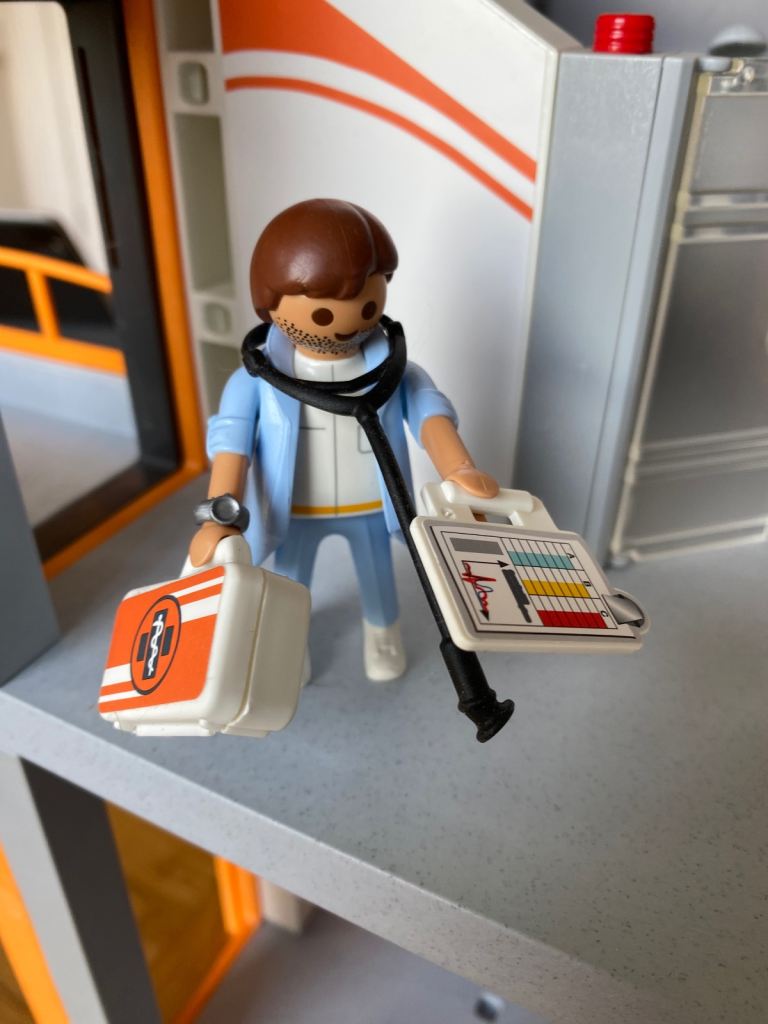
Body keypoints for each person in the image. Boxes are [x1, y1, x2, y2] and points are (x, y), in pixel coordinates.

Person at [188, 198, 498, 681]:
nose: (349, 322)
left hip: (372, 504)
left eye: (368, 306)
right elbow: (232, 445)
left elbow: (431, 415)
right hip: (294, 509)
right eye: (323, 314)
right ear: (269, 302)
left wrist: (459, 470)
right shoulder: (256, 380)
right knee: (289, 581)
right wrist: (218, 514)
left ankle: (382, 632)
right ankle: (289, 645)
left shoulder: (394, 371)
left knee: (379, 577)